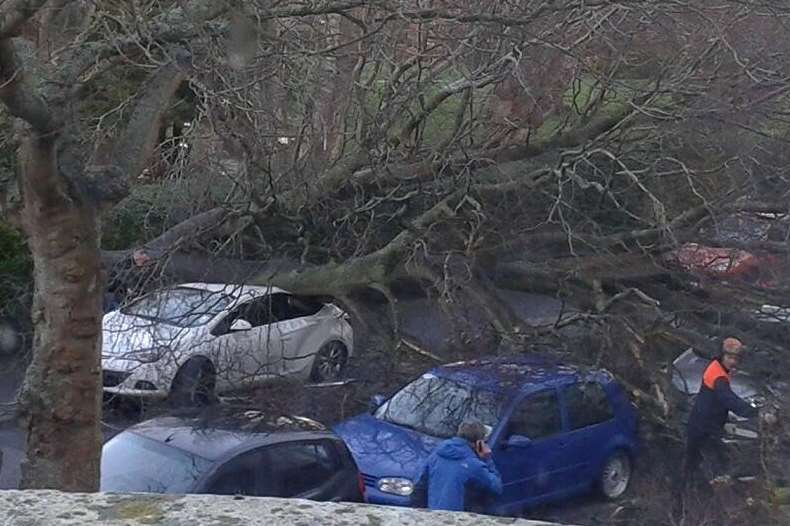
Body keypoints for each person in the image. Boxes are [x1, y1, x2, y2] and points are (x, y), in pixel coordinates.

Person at [682, 337, 772, 487]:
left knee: (695, 463)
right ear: (722, 355)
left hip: (703, 423)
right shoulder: (718, 377)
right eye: (730, 358)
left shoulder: (717, 367)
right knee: (714, 464)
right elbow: (729, 400)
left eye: (736, 359)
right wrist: (755, 412)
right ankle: (703, 494)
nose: (733, 362)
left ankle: (691, 492)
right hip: (705, 427)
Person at [413, 420, 503, 512]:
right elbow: (496, 487)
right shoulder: (474, 465)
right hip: (456, 518)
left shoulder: (436, 454)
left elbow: (420, 485)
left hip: (434, 514)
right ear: (479, 443)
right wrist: (487, 459)